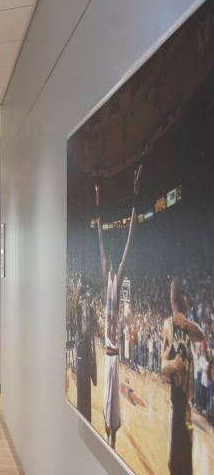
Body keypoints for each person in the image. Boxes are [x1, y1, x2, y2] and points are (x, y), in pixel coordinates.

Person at [96, 169, 140, 448]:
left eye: (112, 256)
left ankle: (112, 443)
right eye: (111, 256)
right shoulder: (106, 277)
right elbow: (99, 240)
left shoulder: (119, 275)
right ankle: (108, 442)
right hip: (108, 352)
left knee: (113, 412)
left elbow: (130, 241)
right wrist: (98, 203)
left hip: (114, 355)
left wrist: (136, 194)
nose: (112, 258)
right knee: (107, 407)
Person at [162, 278, 206, 475]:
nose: (179, 310)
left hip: (185, 411)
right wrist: (173, 366)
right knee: (174, 472)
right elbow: (161, 366)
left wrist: (187, 323)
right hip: (174, 408)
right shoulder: (168, 326)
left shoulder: (188, 329)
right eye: (177, 304)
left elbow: (200, 335)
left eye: (183, 308)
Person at [76, 292, 97, 423]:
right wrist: (94, 371)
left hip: (82, 372)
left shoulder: (79, 337)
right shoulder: (85, 339)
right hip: (84, 372)